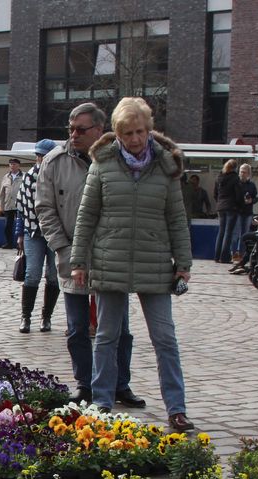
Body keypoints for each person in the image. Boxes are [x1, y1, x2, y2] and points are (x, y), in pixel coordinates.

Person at [69, 97, 193, 431]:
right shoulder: (102, 164)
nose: (135, 139)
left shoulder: (167, 166)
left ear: (149, 129)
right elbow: (87, 215)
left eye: (139, 131)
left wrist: (183, 262)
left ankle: (176, 408)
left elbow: (177, 218)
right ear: (117, 134)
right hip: (111, 259)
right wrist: (79, 261)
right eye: (127, 133)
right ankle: (101, 402)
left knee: (165, 337)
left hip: (154, 261)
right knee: (107, 335)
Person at [37, 103, 144, 409]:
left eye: (81, 129)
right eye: (70, 128)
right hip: (71, 254)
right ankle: (85, 384)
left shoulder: (117, 158)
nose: (74, 135)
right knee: (76, 327)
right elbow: (45, 208)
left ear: (100, 130)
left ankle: (120, 384)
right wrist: (63, 247)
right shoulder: (55, 162)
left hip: (111, 257)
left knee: (120, 328)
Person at [13, 139, 55, 333]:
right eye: (38, 155)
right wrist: (19, 233)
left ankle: (46, 317)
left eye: (44, 155)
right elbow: (21, 209)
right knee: (32, 274)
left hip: (56, 232)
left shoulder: (59, 176)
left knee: (54, 276)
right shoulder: (29, 177)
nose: (40, 159)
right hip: (33, 231)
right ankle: (26, 317)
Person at [213, 159, 245, 264]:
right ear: (235, 168)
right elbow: (239, 195)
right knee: (228, 232)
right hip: (232, 207)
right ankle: (225, 257)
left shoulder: (219, 177)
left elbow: (215, 194)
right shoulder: (235, 178)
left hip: (220, 207)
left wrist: (219, 202)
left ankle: (217, 256)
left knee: (221, 232)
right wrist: (240, 206)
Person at [236, 163, 258, 265]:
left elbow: (256, 197)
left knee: (245, 234)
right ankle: (234, 253)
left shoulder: (252, 185)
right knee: (236, 233)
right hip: (238, 211)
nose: (242, 174)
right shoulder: (236, 183)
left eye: (244, 172)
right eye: (241, 171)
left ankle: (242, 254)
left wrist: (251, 200)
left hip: (248, 212)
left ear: (248, 173)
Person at [0, 157, 24, 248]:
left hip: (19, 205)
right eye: (11, 164)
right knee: (7, 226)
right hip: (8, 205)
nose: (12, 166)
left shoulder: (23, 176)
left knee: (20, 226)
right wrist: (1, 206)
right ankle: (9, 243)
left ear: (18, 165)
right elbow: (2, 193)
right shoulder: (6, 177)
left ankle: (19, 243)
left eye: (14, 164)